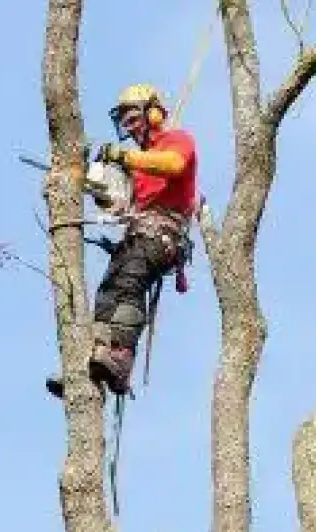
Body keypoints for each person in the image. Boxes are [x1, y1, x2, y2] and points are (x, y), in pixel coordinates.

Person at [46, 83, 198, 398]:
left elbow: (174, 165)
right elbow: (118, 199)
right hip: (137, 235)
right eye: (124, 118)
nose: (128, 124)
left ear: (153, 112)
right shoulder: (138, 167)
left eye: (133, 115)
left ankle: (120, 356)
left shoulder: (176, 141)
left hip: (162, 236)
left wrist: (126, 157)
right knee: (107, 293)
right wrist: (78, 179)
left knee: (128, 284)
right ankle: (91, 362)